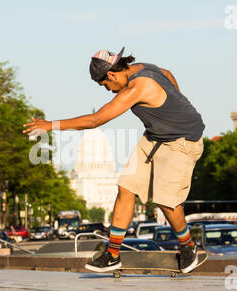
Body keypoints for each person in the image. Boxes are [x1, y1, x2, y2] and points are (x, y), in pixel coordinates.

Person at [23, 47, 205, 273]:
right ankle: (112, 254)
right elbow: (167, 73)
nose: (109, 91)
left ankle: (188, 246)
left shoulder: (136, 87)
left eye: (105, 86)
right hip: (154, 137)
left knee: (166, 200)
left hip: (182, 141)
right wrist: (176, 101)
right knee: (125, 188)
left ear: (110, 75)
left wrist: (50, 125)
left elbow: (95, 120)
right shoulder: (142, 67)